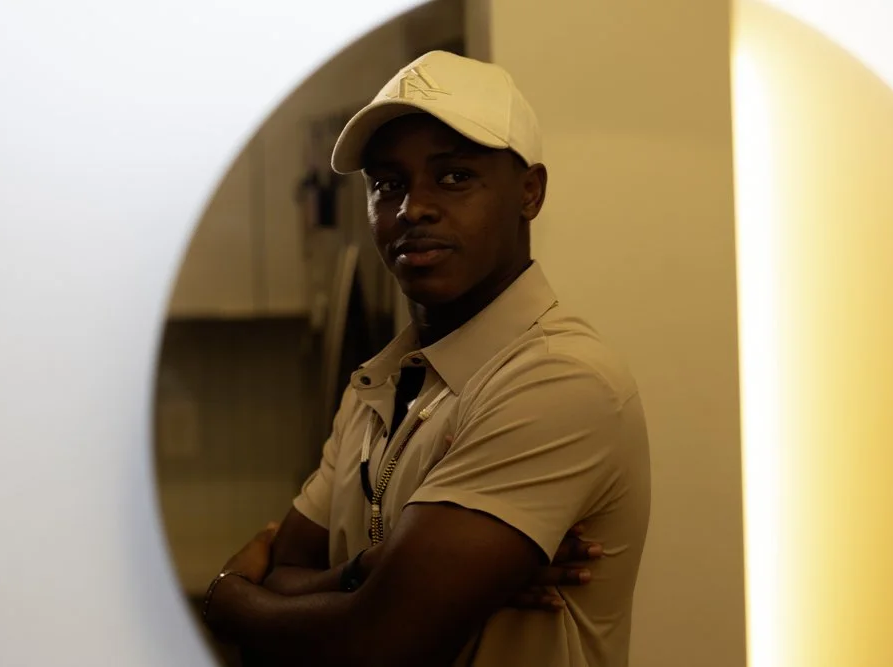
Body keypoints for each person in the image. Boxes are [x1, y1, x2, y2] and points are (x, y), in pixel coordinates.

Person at [204, 50, 652, 667]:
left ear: (530, 192)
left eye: (454, 177)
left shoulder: (557, 378)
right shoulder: (382, 382)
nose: (413, 208)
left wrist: (230, 600)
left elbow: (378, 641)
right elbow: (290, 564)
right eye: (388, 184)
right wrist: (376, 573)